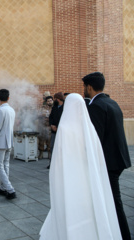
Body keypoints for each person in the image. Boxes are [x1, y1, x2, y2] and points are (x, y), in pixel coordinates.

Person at [39, 93, 121, 240]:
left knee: (70, 206)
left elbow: (58, 159)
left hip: (70, 177)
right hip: (87, 176)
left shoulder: (64, 128)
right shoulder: (89, 128)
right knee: (87, 207)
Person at [83, 72, 132, 240]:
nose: (84, 90)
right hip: (118, 159)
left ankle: (123, 235)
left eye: (84, 87)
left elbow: (95, 139)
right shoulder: (112, 102)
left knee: (113, 202)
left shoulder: (95, 106)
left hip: (108, 163)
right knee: (110, 200)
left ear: (89, 87)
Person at [0, 89, 16, 200]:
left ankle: (10, 189)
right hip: (9, 140)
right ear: (8, 98)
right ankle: (3, 187)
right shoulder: (12, 110)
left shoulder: (0, 111)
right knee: (5, 165)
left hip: (0, 142)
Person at [47, 92, 64, 169]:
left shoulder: (65, 108)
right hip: (53, 131)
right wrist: (51, 125)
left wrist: (58, 127)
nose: (54, 100)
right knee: (52, 147)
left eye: (55, 99)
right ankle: (52, 164)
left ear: (58, 99)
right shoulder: (54, 108)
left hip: (61, 132)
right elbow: (50, 118)